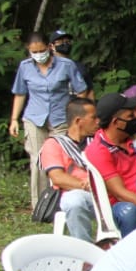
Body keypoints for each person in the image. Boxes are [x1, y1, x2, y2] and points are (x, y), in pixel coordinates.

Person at [9, 32, 90, 202]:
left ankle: (61, 201)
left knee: (63, 160)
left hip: (61, 118)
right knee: (37, 160)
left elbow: (81, 89)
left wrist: (77, 111)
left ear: (49, 47)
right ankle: (39, 204)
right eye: (34, 52)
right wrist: (14, 119)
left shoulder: (66, 65)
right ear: (29, 50)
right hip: (34, 117)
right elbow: (20, 94)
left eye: (41, 50)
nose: (39, 55)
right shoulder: (25, 67)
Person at [84, 92, 136, 237]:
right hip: (121, 205)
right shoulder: (98, 150)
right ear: (116, 122)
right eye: (130, 117)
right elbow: (120, 193)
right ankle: (132, 256)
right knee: (129, 212)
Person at [39, 97, 100, 240]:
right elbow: (57, 177)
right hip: (76, 194)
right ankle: (84, 252)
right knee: (74, 201)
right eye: (93, 118)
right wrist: (87, 184)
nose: (98, 122)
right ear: (79, 121)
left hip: (106, 193)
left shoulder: (99, 141)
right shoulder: (54, 144)